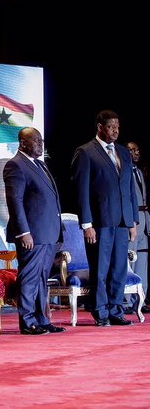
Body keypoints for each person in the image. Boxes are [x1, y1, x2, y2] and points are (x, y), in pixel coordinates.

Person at [70, 110, 138, 327]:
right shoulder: (86, 152)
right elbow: (81, 191)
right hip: (99, 223)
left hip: (122, 221)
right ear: (99, 127)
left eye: (118, 127)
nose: (116, 131)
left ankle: (116, 310)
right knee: (101, 269)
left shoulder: (123, 153)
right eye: (111, 127)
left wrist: (133, 220)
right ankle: (100, 312)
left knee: (119, 268)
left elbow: (130, 189)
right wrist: (87, 224)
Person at [3, 127, 65, 335]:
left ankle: (42, 319)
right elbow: (15, 201)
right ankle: (27, 320)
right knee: (29, 277)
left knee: (41, 278)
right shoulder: (15, 165)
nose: (41, 144)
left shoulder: (39, 164)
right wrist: (23, 232)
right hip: (32, 234)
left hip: (48, 232)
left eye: (41, 140)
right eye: (36, 141)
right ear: (23, 143)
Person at [125, 141, 149, 313]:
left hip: (144, 220)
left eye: (137, 150)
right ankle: (126, 301)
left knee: (142, 262)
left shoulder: (139, 172)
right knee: (129, 260)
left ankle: (140, 300)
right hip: (132, 221)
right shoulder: (123, 172)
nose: (136, 153)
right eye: (132, 150)